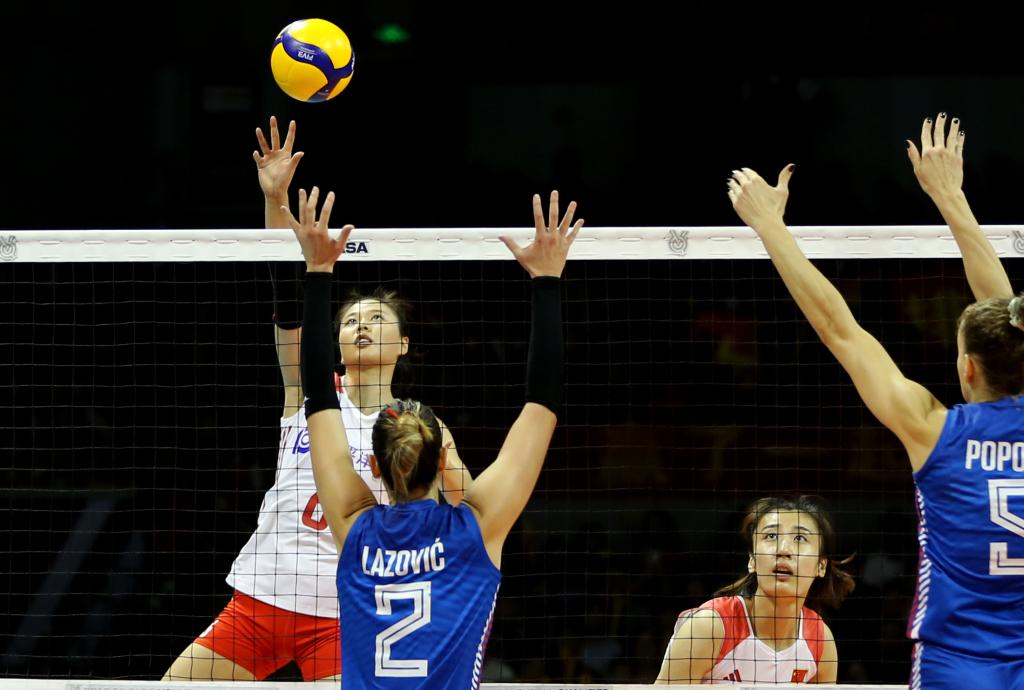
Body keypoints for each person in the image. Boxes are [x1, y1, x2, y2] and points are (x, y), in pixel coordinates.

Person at [162, 117, 472, 682]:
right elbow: (288, 300)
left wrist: (442, 465)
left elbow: (471, 508)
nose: (361, 326)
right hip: (261, 597)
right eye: (351, 320)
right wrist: (275, 200)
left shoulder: (416, 425)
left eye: (377, 319)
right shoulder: (310, 393)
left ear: (404, 344)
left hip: (345, 612)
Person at [727, 113, 1024, 689]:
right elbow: (1005, 316)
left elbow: (839, 329)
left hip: (960, 662)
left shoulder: (934, 429)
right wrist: (952, 197)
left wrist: (770, 228)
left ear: (966, 367)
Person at [287, 184, 581, 688]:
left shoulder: (355, 530)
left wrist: (318, 271)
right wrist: (547, 280)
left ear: (373, 468)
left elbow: (317, 395)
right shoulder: (477, 529)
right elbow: (542, 405)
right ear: (444, 457)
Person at [656, 496, 851, 684]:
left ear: (821, 566)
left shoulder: (819, 640)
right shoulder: (710, 627)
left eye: (800, 538)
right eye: (771, 536)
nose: (783, 549)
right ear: (752, 560)